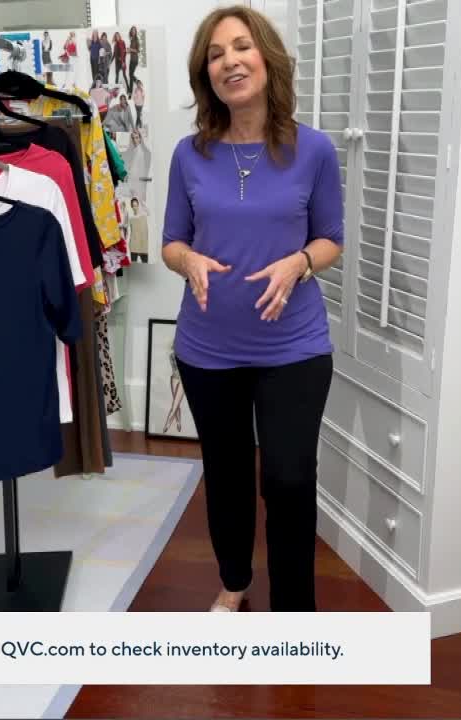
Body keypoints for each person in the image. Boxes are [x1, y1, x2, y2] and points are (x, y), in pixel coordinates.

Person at [161, 5, 343, 612]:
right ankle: (235, 581)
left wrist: (299, 263)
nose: (229, 61)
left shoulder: (314, 150)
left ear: (266, 58)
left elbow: (331, 239)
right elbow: (171, 242)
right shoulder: (189, 155)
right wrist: (187, 261)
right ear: (204, 73)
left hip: (294, 346)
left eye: (241, 47)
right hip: (208, 347)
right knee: (229, 476)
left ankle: (294, 610)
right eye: (215, 54)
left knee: (288, 479)